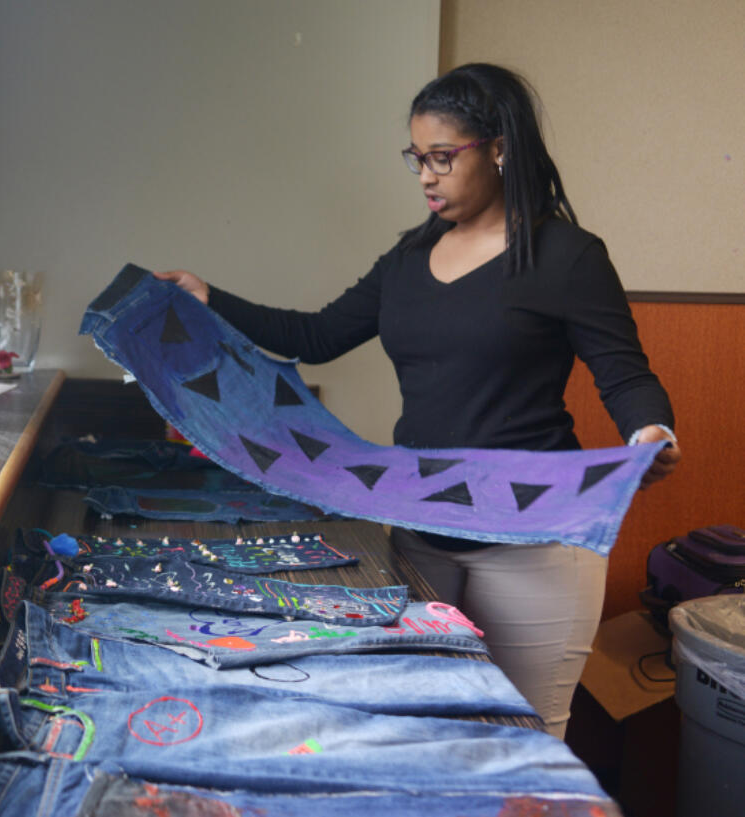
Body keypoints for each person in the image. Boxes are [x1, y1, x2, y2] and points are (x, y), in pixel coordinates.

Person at [154, 63, 680, 738]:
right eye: (417, 159)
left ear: (498, 148)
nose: (426, 176)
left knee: (524, 737)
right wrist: (210, 298)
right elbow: (314, 335)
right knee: (425, 730)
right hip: (420, 530)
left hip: (532, 542)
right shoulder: (407, 260)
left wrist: (650, 431)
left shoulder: (566, 256)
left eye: (441, 157)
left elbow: (626, 375)